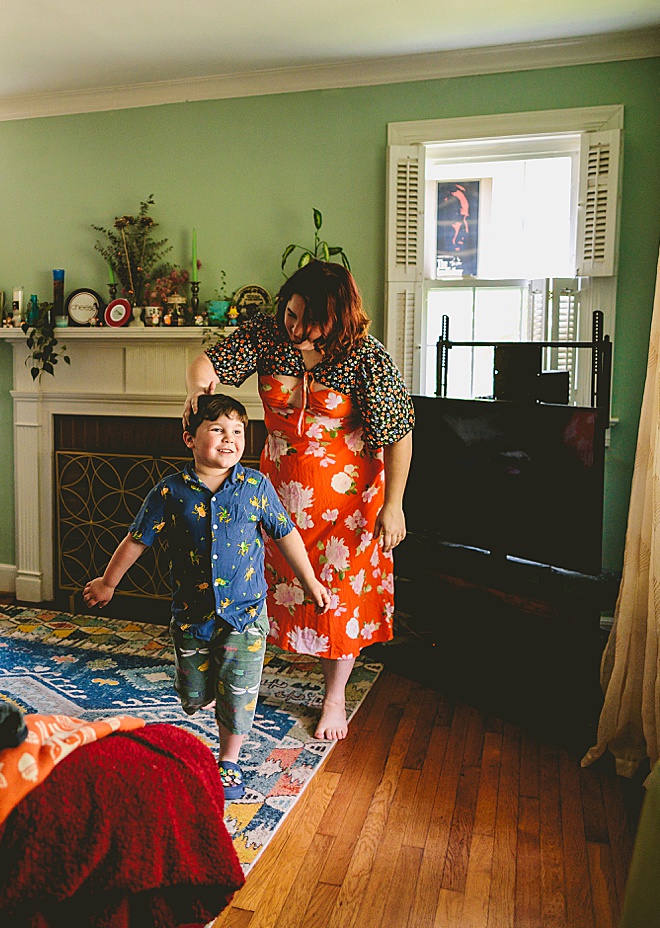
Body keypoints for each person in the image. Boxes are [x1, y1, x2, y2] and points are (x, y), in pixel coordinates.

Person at [185, 260, 414, 741]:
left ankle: (334, 699)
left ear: (337, 319)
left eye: (309, 323)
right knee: (256, 586)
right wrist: (197, 389)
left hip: (346, 504)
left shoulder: (367, 358)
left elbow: (398, 436)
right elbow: (207, 363)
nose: (295, 329)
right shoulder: (267, 336)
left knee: (338, 598)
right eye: (290, 314)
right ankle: (244, 677)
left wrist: (394, 504)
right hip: (273, 493)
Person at [84, 394, 328, 800]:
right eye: (217, 430)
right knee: (195, 694)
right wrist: (109, 582)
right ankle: (212, 697)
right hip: (192, 616)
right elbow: (137, 539)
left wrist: (309, 580)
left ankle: (228, 759)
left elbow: (286, 534)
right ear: (189, 439)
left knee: (238, 689)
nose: (229, 439)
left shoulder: (255, 486)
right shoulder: (170, 492)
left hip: (246, 615)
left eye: (237, 431)